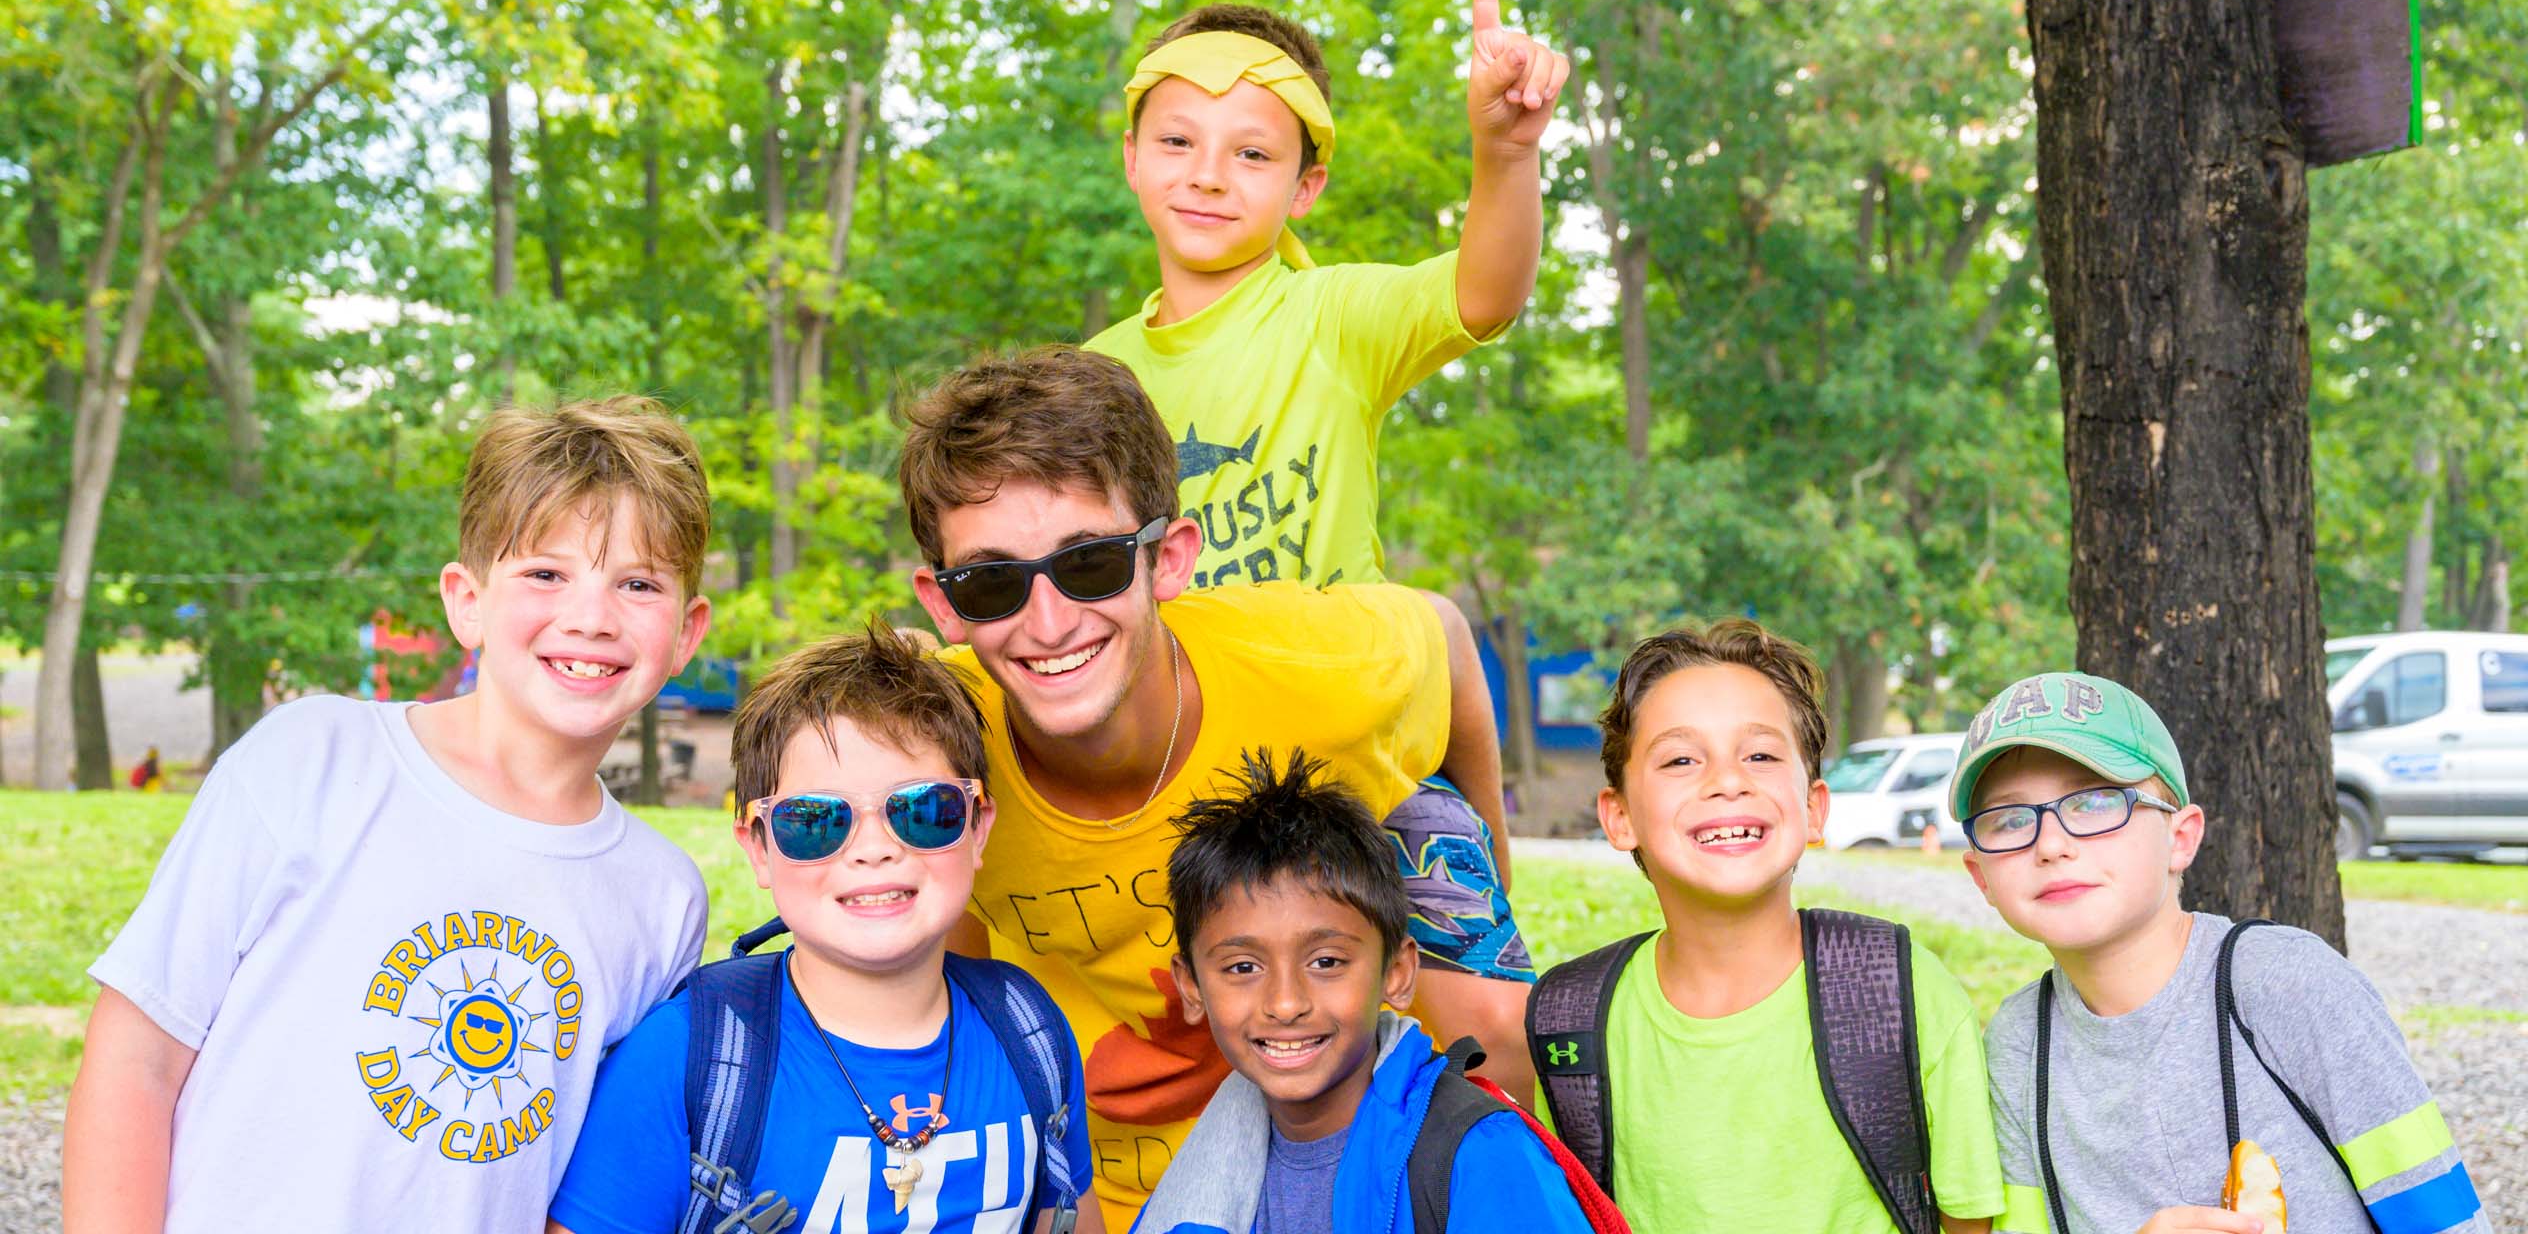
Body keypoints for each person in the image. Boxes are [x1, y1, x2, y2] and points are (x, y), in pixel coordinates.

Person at [898, 346, 1532, 1231]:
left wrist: (1490, 869)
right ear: (943, 603)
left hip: (1342, 1091)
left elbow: (1448, 641)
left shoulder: (1322, 668)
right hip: (1113, 1149)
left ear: (1169, 559)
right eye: (992, 581)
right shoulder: (933, 745)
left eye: (1089, 564)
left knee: (1495, 1013)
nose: (1047, 623)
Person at [62, 397, 719, 1232]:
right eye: (546, 574)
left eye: (638, 583)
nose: (590, 617)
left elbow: (586, 1189)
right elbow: (135, 1062)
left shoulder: (661, 896)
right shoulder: (315, 758)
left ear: (687, 631)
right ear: (466, 600)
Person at [548, 623, 1102, 1234]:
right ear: (758, 848)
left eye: (921, 810)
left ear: (977, 826)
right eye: (815, 821)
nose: (872, 849)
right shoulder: (682, 1061)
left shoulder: (1030, 1031)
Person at [1087, 0, 1570, 590]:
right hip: (1170, 691)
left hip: (1335, 683)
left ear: (1304, 188)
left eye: (1252, 153)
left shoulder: (1332, 319)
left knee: (1443, 628)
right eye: (1177, 141)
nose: (1206, 177)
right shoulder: (1092, 376)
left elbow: (1484, 294)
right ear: (1132, 159)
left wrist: (1506, 151)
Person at [1952, 673, 2489, 1234]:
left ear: (2180, 838)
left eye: (2094, 801)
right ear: (1981, 876)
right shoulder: (2016, 1046)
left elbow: (2445, 1219)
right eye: (2011, 819)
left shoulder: (2286, 984)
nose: (2051, 844)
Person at [1525, 619, 2005, 1234]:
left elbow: (1971, 1221)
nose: (1727, 781)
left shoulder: (1897, 988)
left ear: (1813, 808)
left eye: (1760, 754)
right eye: (1680, 759)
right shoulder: (1572, 1020)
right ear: (1619, 817)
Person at [1129, 749, 1595, 1234]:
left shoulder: (1480, 1155)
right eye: (1243, 967)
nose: (1286, 1004)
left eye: (1326, 962)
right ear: (1191, 986)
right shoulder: (1200, 1180)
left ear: (1395, 972)